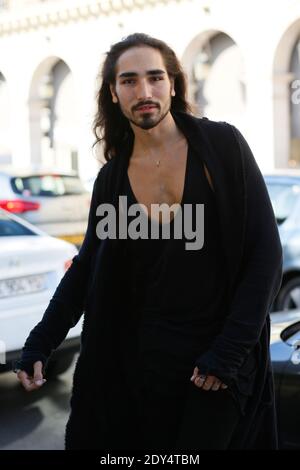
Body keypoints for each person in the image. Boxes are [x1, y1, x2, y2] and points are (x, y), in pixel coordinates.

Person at [15, 33, 283, 450]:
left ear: (173, 84)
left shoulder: (222, 148)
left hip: (214, 369)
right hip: (138, 370)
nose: (144, 92)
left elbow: (264, 255)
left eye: (155, 77)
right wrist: (41, 341)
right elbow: (87, 268)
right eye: (129, 80)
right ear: (113, 92)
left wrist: (228, 353)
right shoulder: (112, 179)